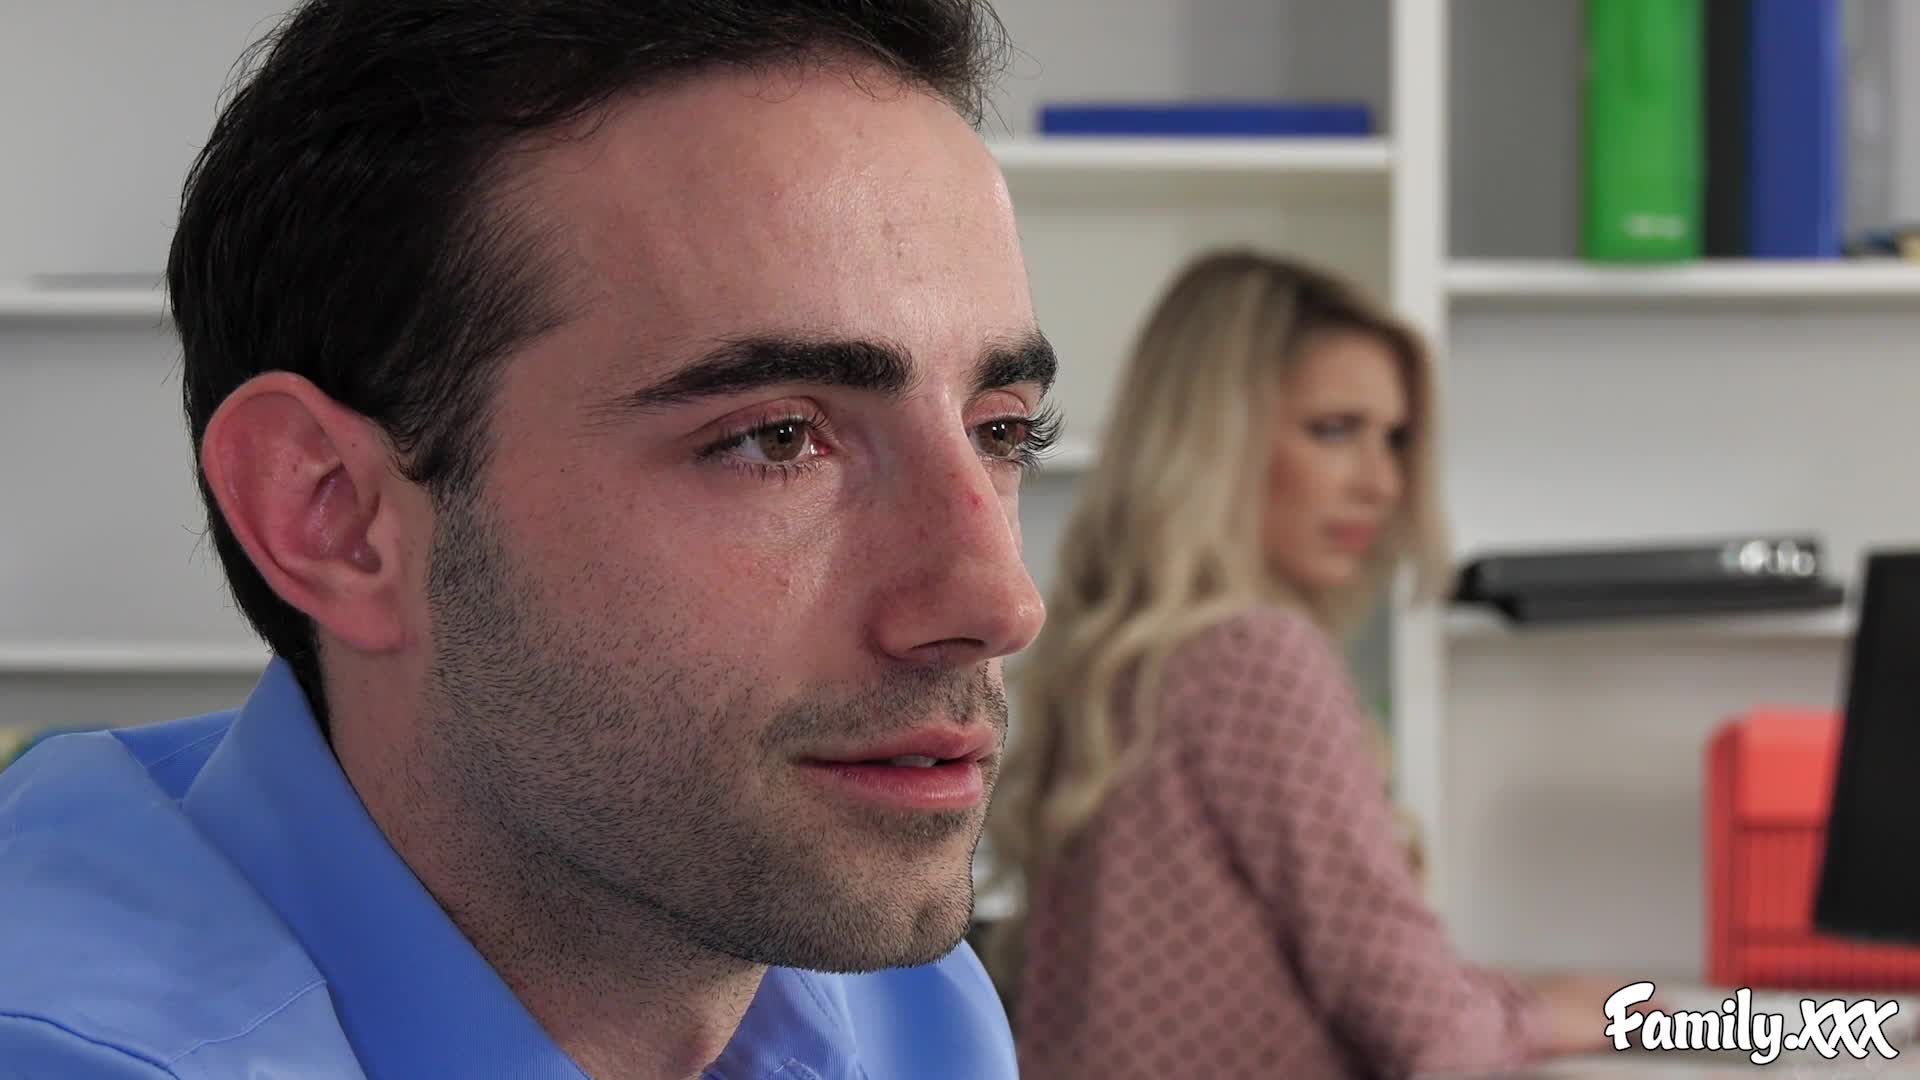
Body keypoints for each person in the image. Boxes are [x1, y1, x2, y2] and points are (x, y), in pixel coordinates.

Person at [0, 1, 1054, 1076]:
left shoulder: (902, 1006)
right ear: (333, 514)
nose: (1001, 603)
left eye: (1003, 431)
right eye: (776, 438)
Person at [984, 250, 1623, 1078]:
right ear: (1215, 442)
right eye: (1334, 430)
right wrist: (1559, 1015)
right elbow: (1434, 1035)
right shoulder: (1254, 656)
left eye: (1395, 440)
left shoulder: (1124, 658)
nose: (1381, 482)